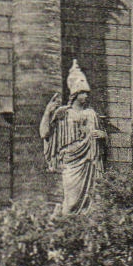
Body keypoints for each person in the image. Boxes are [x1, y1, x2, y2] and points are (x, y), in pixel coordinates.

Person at [39, 61, 108, 212]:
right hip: (71, 161)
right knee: (70, 202)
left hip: (89, 161)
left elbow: (102, 140)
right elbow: (45, 133)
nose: (86, 96)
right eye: (83, 92)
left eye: (87, 93)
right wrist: (47, 112)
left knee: (90, 200)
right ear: (75, 94)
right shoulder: (63, 113)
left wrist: (103, 136)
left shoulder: (91, 114)